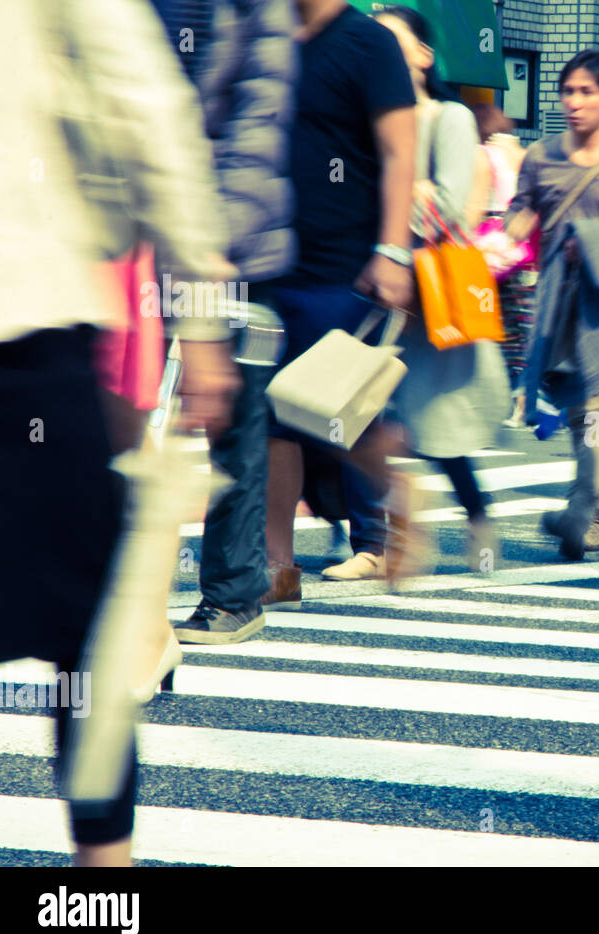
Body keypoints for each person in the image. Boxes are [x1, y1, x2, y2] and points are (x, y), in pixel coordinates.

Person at [0, 0, 235, 865]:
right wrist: (202, 317)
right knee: (83, 648)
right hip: (22, 321)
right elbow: (148, 111)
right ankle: (101, 893)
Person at [151, 0, 300, 643]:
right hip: (134, 237)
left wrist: (206, 253)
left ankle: (235, 593)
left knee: (231, 424)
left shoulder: (254, 12)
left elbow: (254, 137)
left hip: (226, 248)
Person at [261, 0, 416, 601]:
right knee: (272, 418)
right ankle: (278, 568)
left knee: (341, 413)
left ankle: (392, 511)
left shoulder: (368, 43)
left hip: (345, 265)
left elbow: (402, 152)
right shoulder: (267, 35)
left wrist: (394, 250)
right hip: (271, 257)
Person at [370, 4, 509, 573]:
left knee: (434, 426)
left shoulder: (447, 118)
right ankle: (384, 531)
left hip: (429, 297)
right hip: (379, 294)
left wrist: (394, 188)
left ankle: (474, 518)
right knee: (368, 418)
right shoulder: (371, 119)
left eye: (392, 40)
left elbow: (449, 209)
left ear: (424, 55)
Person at [504, 49, 599, 561]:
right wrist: (499, 245)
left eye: (587, 92)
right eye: (568, 91)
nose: (574, 101)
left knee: (594, 409)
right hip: (556, 302)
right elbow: (521, 214)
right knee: (575, 412)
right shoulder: (541, 155)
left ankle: (580, 514)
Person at [472, 102, 537, 423]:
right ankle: (527, 400)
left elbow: (473, 207)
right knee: (523, 329)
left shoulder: (480, 153)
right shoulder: (521, 153)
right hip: (520, 249)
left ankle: (500, 402)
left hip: (489, 250)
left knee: (492, 330)